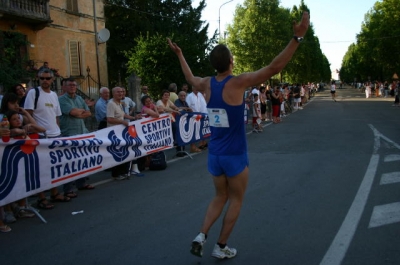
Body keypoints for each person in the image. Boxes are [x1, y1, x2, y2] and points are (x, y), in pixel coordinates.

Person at [168, 11, 309, 259]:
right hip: (235, 154)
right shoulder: (239, 82)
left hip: (215, 153)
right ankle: (221, 247)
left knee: (219, 196)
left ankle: (201, 235)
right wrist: (296, 39)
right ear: (231, 61)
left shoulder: (206, 84)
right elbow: (275, 66)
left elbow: (189, 77)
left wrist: (180, 54)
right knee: (236, 199)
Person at [24, 68, 71, 209]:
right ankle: (41, 197)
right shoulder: (33, 93)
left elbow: (56, 115)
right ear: (38, 79)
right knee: (41, 169)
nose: (45, 81)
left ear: (52, 80)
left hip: (55, 135)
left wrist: (57, 130)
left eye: (47, 78)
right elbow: (28, 114)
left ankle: (55, 193)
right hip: (41, 137)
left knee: (55, 167)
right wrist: (35, 131)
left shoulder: (54, 95)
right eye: (42, 78)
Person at [59, 78, 95, 198]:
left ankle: (82, 183)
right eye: (69, 85)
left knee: (82, 159)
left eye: (74, 85)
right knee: (69, 162)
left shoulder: (79, 98)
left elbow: (89, 113)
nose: (73, 87)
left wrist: (79, 113)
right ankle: (68, 189)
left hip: (82, 132)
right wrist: (80, 112)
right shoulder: (61, 100)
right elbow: (72, 112)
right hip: (69, 133)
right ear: (63, 87)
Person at [107, 87, 139, 180]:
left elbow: (123, 115)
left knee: (123, 151)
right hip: (113, 132)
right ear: (113, 93)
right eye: (118, 92)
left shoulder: (119, 103)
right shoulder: (111, 104)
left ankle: (122, 172)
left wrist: (134, 118)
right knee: (117, 152)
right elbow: (110, 119)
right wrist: (122, 122)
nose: (120, 93)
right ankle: (116, 174)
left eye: (121, 92)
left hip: (120, 131)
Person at [185, 86, 208, 152]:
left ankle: (202, 143)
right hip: (193, 116)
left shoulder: (200, 95)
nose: (197, 89)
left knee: (201, 130)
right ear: (193, 88)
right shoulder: (189, 96)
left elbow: (203, 105)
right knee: (193, 131)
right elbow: (188, 107)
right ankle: (193, 146)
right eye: (196, 88)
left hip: (201, 115)